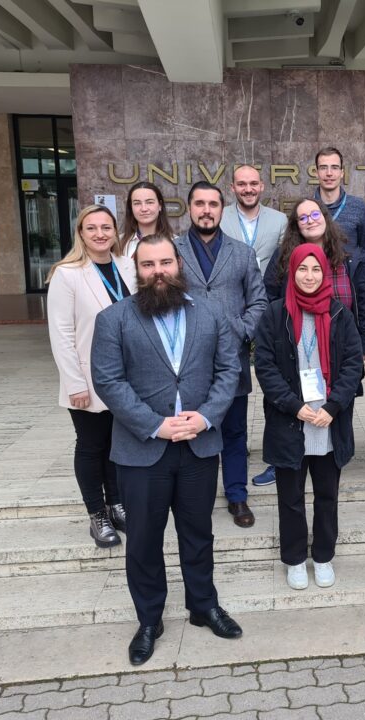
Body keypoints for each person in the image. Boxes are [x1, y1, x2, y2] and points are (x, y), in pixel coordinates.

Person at [91, 234, 243, 667]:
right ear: (135, 271)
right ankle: (149, 620)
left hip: (198, 446)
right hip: (142, 451)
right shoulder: (113, 319)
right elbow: (109, 381)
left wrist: (206, 416)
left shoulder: (211, 313)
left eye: (165, 263)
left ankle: (203, 606)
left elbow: (229, 368)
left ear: (179, 265)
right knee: (143, 540)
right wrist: (155, 425)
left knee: (199, 534)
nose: (158, 272)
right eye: (147, 265)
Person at [254, 243, 364, 590]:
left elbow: (352, 365)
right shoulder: (275, 314)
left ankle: (324, 555)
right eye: (303, 268)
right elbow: (266, 366)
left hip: (328, 423)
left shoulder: (339, 315)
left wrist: (332, 407)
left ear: (325, 273)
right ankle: (295, 559)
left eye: (316, 269)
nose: (309, 275)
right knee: (290, 498)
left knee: (327, 496)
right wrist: (293, 405)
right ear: (292, 271)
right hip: (291, 420)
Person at [252, 198, 365, 487]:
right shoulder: (285, 256)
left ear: (326, 217)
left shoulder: (348, 255)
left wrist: (364, 342)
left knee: (337, 407)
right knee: (289, 420)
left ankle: (330, 458)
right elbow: (268, 291)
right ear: (295, 224)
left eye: (315, 214)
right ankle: (284, 463)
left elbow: (362, 298)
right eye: (302, 217)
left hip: (338, 343)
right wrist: (279, 322)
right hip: (296, 341)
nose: (309, 220)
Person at [173, 182, 267, 528]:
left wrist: (242, 331)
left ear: (222, 209)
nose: (206, 210)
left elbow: (258, 300)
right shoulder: (173, 251)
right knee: (192, 428)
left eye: (213, 204)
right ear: (189, 208)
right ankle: (192, 495)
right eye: (200, 203)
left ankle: (237, 495)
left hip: (232, 357)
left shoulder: (242, 253)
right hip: (187, 359)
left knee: (234, 429)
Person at [46, 205, 136, 549]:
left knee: (116, 445)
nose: (100, 234)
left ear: (115, 231)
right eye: (92, 228)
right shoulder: (67, 274)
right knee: (91, 446)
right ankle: (97, 515)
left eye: (106, 227)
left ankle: (116, 504)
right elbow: (61, 334)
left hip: (125, 378)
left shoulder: (127, 266)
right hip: (87, 379)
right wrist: (74, 383)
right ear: (80, 233)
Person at [220, 165, 288, 276]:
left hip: (266, 290)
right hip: (231, 290)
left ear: (261, 186)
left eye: (254, 184)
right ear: (233, 187)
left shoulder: (279, 220)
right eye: (241, 184)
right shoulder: (220, 218)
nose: (248, 189)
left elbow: (284, 262)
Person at [313, 146, 365, 261]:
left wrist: (362, 280)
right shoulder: (306, 208)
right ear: (316, 173)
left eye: (334, 168)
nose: (329, 173)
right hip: (313, 277)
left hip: (349, 278)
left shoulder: (359, 207)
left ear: (342, 173)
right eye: (323, 168)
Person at [120, 181, 175, 257]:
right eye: (137, 203)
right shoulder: (118, 243)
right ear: (131, 207)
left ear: (160, 206)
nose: (144, 208)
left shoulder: (176, 242)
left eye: (149, 202)